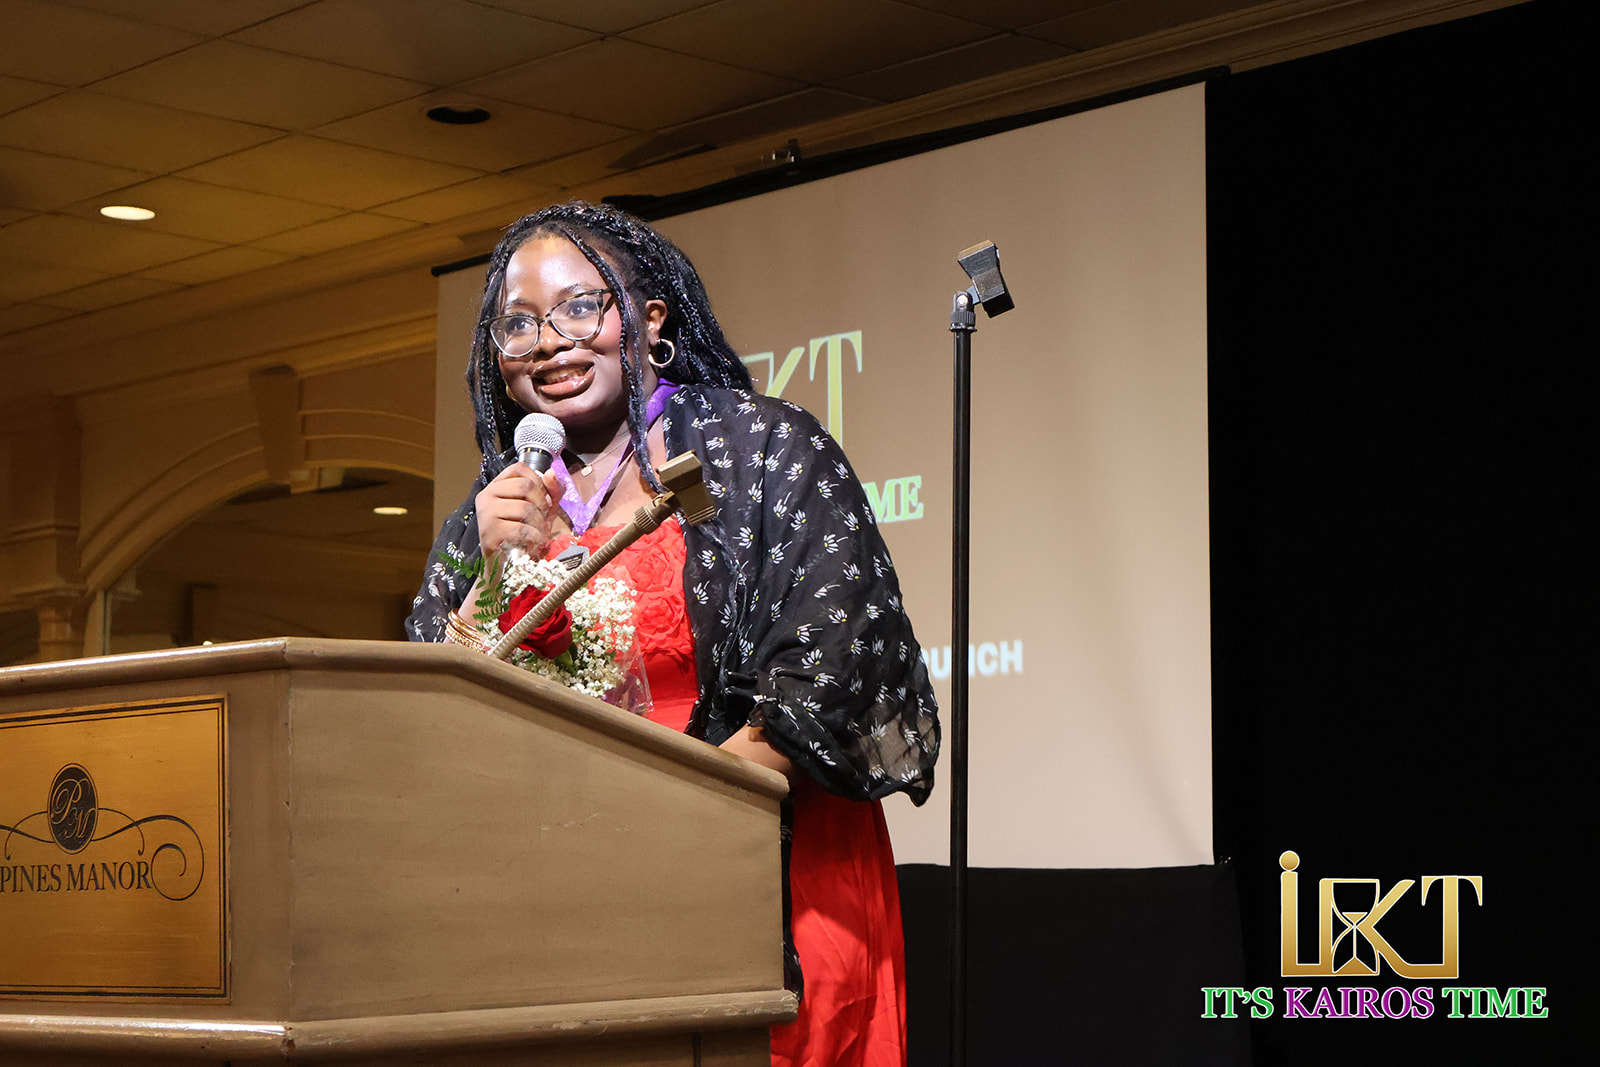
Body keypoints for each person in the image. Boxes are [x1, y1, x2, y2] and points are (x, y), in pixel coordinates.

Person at [406, 201, 939, 1066]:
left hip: (766, 890)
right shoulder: (489, 518)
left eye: (583, 306)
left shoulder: (765, 452)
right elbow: (426, 725)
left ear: (649, 319)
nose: (550, 341)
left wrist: (648, 833)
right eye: (519, 325)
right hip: (562, 918)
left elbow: (830, 676)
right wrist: (492, 579)